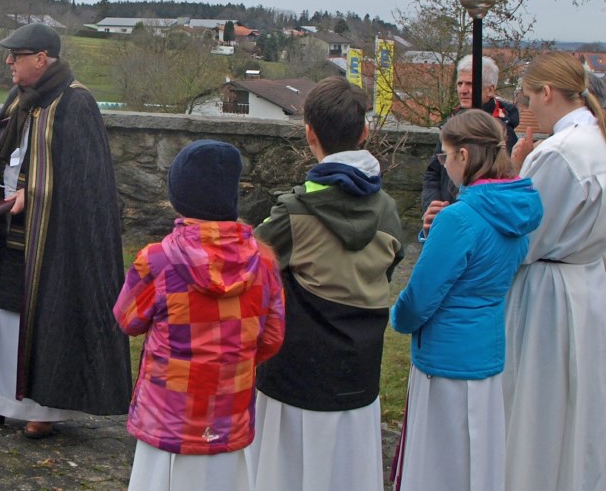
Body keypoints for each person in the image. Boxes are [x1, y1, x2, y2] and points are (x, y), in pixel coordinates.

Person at [0, 22, 132, 439]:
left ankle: (47, 408)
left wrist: (32, 194)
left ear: (41, 59)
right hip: (11, 223)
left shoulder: (77, 104)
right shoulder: (20, 98)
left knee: (46, 314)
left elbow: (85, 182)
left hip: (56, 236)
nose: (8, 62)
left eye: (16, 55)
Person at [247, 76, 404, 491]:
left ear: (309, 133)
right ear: (365, 132)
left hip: (293, 377)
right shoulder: (388, 211)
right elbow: (386, 271)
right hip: (359, 375)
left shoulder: (293, 214)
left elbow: (251, 267)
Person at [113, 139, 285, 491]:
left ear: (179, 195)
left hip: (167, 422)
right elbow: (271, 338)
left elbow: (126, 319)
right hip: (228, 419)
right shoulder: (265, 262)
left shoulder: (157, 260)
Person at [389, 109, 543, 491]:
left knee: (439, 465)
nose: (443, 162)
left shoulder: (460, 218)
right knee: (478, 462)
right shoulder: (513, 209)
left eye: (445, 153)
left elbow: (420, 299)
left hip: (444, 360)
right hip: (486, 353)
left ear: (464, 156)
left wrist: (398, 317)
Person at [503, 51, 606, 491]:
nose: (528, 109)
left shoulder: (561, 153)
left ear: (547, 93)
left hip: (549, 293)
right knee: (581, 407)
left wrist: (517, 170)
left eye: (528, 97)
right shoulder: (597, 142)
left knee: (539, 407)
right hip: (588, 282)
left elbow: (525, 235)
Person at [420, 54, 519, 239]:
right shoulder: (452, 124)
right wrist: (432, 207)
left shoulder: (500, 132)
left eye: (471, 84)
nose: (463, 90)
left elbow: (497, 184)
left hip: (477, 228)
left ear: (490, 90)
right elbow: (433, 173)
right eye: (460, 84)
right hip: (445, 220)